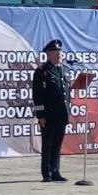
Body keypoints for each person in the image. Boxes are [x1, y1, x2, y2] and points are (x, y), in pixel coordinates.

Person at [32, 39, 74, 183]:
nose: (59, 54)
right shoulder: (42, 71)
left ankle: (56, 171)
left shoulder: (65, 70)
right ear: (49, 54)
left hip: (62, 114)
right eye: (56, 52)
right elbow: (37, 96)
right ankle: (47, 173)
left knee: (57, 144)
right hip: (48, 115)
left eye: (60, 51)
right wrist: (40, 115)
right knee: (48, 144)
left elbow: (66, 93)